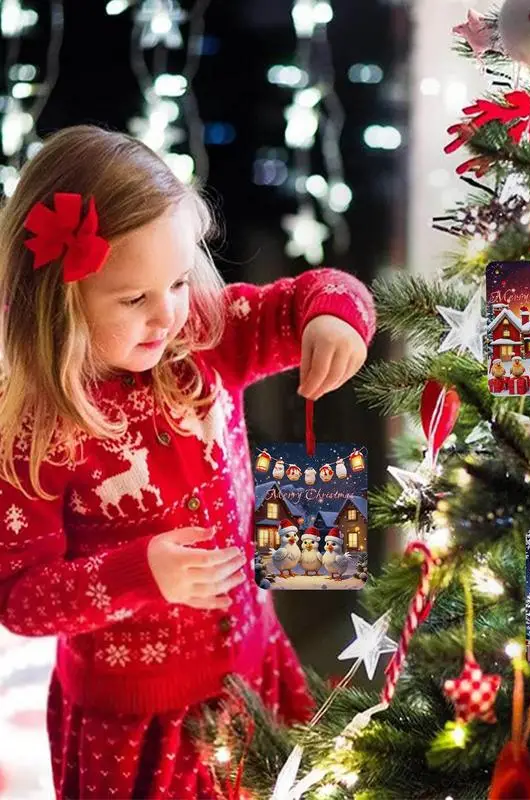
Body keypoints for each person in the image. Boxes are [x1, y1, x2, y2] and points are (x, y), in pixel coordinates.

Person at [0, 126, 376, 799]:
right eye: (134, 298)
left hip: (252, 670)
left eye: (177, 281)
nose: (167, 314)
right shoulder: (35, 432)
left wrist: (333, 318)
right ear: (59, 299)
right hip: (136, 720)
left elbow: (309, 295)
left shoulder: (202, 340)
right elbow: (22, 601)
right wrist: (140, 573)